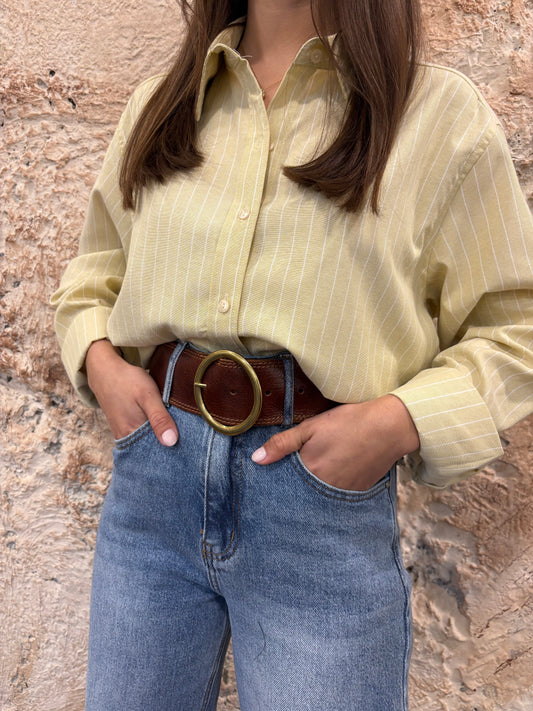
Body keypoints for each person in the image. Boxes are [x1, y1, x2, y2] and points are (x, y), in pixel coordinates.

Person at [51, 0, 533, 708]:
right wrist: (100, 361)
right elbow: (94, 273)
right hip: (153, 488)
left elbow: (516, 324)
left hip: (317, 506)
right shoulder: (164, 105)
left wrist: (395, 423)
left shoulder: (437, 117)